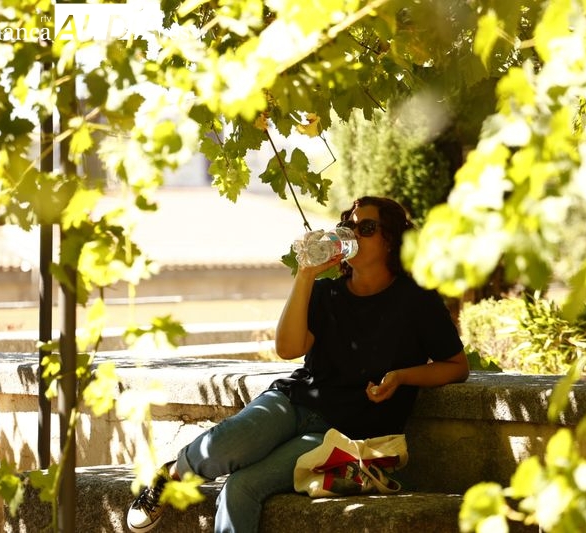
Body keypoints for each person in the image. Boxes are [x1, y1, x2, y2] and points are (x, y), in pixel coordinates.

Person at [126, 196, 469, 533]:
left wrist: (402, 376)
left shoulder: (417, 301)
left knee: (241, 487)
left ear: (391, 239)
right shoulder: (324, 292)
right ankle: (168, 476)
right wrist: (305, 275)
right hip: (294, 401)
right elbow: (288, 349)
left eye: (366, 227)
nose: (352, 233)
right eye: (347, 225)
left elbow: (456, 366)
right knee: (220, 447)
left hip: (342, 433)